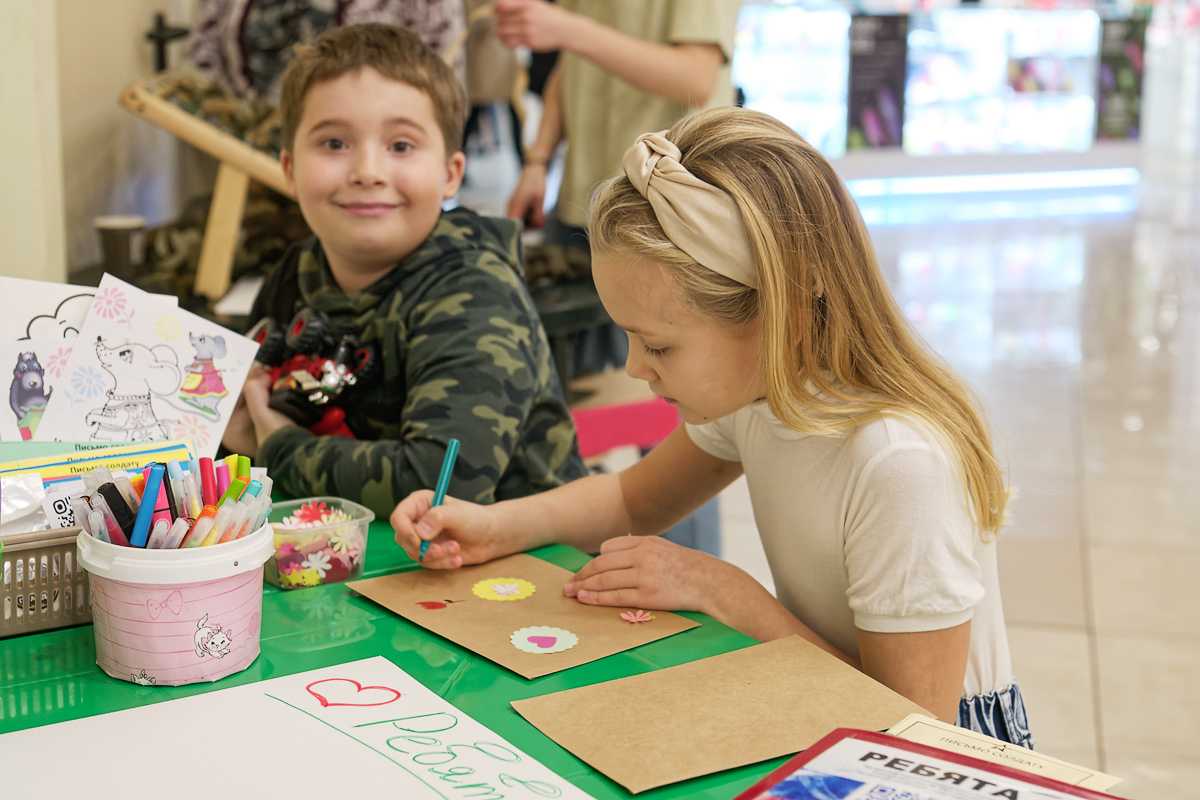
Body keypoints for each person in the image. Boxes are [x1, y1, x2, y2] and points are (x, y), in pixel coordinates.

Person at [389, 108, 1034, 746]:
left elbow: (915, 731)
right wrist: (493, 527)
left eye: (659, 346)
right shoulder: (763, 391)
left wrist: (724, 591)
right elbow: (631, 498)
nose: (634, 367)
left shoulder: (900, 464)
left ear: (774, 313)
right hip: (827, 705)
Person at [222, 23, 587, 520]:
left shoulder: (476, 293)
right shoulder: (294, 276)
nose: (367, 171)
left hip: (517, 575)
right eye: (334, 144)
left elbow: (439, 484)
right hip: (352, 560)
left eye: (400, 146)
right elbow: (249, 426)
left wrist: (279, 448)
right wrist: (234, 434)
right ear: (289, 168)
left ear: (450, 172)